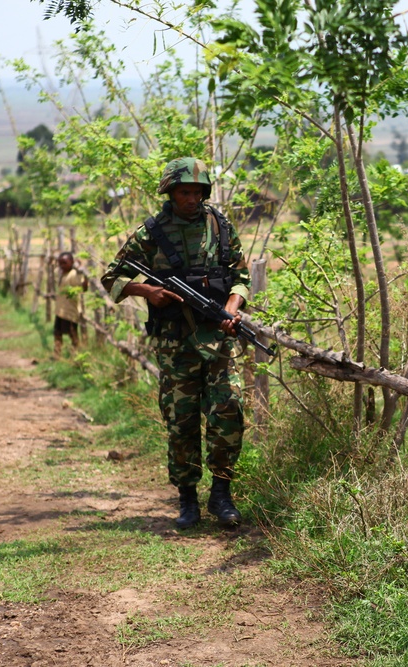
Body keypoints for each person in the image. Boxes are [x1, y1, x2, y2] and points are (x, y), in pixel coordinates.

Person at [101, 157, 250, 529]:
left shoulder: (221, 225)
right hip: (175, 344)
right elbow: (112, 278)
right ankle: (187, 500)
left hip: (217, 340)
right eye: (184, 191)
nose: (191, 199)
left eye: (197, 192)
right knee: (181, 420)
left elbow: (240, 276)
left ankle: (222, 494)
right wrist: (146, 290)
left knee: (228, 410)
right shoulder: (151, 233)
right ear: (170, 192)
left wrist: (231, 310)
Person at [53, 252, 87, 356]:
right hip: (60, 311)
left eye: (64, 263)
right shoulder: (63, 273)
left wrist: (83, 273)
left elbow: (83, 288)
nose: (62, 266)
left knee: (73, 334)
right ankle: (57, 354)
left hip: (70, 312)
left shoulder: (73, 274)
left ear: (72, 262)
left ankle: (76, 355)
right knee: (57, 333)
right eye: (60, 263)